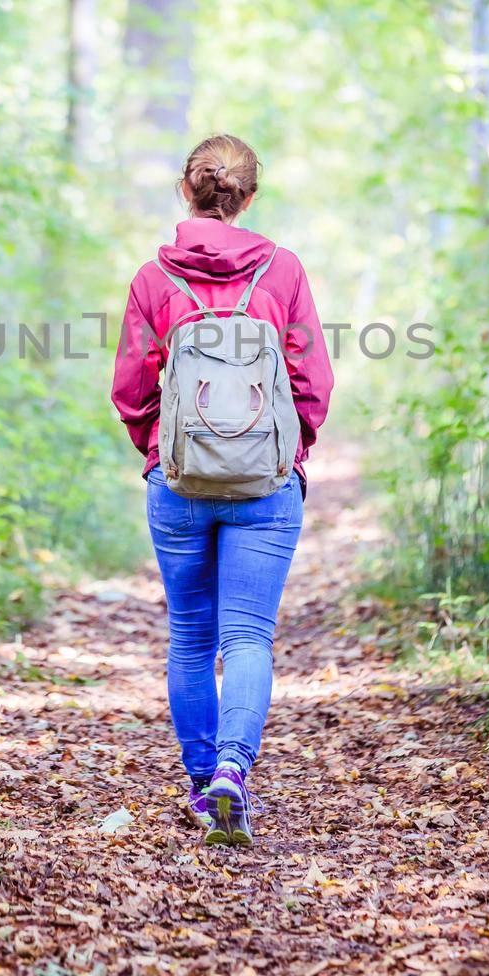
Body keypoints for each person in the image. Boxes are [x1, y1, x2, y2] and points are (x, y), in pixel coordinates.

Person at [111, 134, 334, 845]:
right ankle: (235, 770)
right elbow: (311, 383)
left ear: (188, 189)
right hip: (265, 486)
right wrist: (287, 454)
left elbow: (132, 389)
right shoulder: (283, 270)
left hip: (176, 484)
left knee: (189, 636)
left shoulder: (153, 279)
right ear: (249, 196)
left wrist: (158, 453)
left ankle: (202, 788)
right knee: (246, 638)